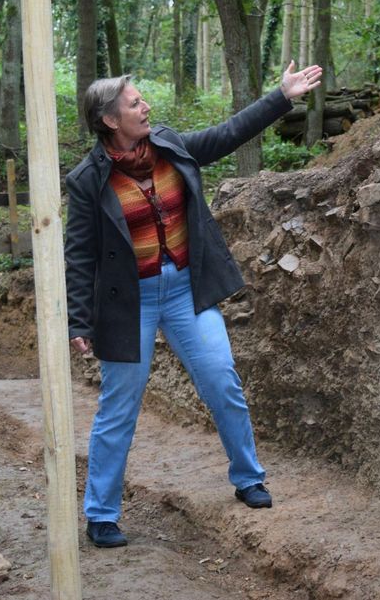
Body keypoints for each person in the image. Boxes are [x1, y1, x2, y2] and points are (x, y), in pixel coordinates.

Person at [65, 62, 322, 549]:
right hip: (128, 302)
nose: (146, 107)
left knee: (221, 378)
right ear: (109, 121)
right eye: (135, 104)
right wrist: (79, 319)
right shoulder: (87, 180)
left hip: (185, 288)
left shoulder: (168, 144)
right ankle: (101, 513)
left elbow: (227, 135)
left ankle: (249, 479)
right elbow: (78, 254)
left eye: (142, 100)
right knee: (119, 407)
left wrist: (281, 96)